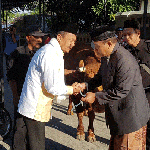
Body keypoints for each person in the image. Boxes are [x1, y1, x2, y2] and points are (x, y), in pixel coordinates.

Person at [13, 23, 85, 150]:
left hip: (29, 106)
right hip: (35, 109)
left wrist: (68, 87)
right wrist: (72, 89)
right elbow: (52, 87)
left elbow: (53, 80)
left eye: (74, 41)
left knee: (22, 144)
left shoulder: (51, 51)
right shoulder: (50, 53)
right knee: (36, 146)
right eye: (70, 40)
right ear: (59, 37)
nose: (72, 44)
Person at [81, 26, 150, 149]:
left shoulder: (124, 59)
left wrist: (95, 96)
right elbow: (100, 76)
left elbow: (121, 90)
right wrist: (85, 85)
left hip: (130, 118)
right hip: (118, 117)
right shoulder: (107, 56)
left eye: (97, 48)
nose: (95, 51)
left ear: (108, 43)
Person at [7, 25, 46, 131]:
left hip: (36, 97)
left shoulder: (40, 54)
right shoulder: (17, 54)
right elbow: (11, 77)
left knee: (34, 128)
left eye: (41, 37)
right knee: (20, 127)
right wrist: (15, 96)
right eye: (36, 37)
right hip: (21, 95)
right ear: (28, 38)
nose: (40, 40)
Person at [123, 19, 150, 150]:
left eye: (130, 34)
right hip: (135, 99)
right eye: (124, 35)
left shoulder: (149, 48)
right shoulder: (125, 52)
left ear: (138, 33)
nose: (127, 38)